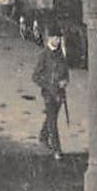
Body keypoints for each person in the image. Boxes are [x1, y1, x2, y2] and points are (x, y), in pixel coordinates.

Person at [31, 30, 70, 160]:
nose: (58, 41)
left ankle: (43, 136)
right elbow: (35, 76)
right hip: (48, 93)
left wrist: (65, 81)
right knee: (52, 120)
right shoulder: (43, 55)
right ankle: (56, 149)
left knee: (51, 116)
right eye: (55, 38)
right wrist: (48, 84)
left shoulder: (60, 54)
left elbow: (65, 72)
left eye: (59, 38)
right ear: (50, 38)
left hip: (59, 93)